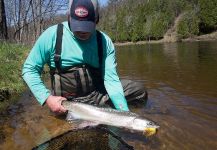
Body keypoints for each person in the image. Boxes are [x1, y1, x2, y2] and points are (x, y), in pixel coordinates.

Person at [22, 0, 147, 115]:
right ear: (69, 17)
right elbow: (29, 70)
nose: (82, 31)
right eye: (77, 24)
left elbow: (111, 80)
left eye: (87, 25)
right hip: (66, 104)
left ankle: (109, 113)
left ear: (96, 19)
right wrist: (47, 98)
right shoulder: (52, 36)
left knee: (139, 91)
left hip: (96, 97)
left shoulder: (104, 41)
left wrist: (124, 113)